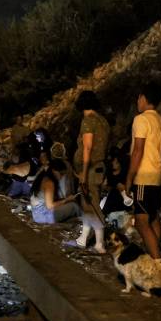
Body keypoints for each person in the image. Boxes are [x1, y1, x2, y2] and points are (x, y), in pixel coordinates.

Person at [125, 83, 161, 260]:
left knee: (141, 222)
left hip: (144, 174)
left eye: (138, 98)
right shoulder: (160, 120)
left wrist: (129, 177)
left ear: (143, 98)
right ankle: (154, 254)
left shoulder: (141, 119)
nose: (137, 101)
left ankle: (157, 262)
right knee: (153, 217)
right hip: (157, 174)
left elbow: (138, 150)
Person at [66, 91, 110, 253]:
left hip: (90, 169)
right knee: (88, 202)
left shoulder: (88, 121)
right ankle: (83, 238)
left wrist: (83, 172)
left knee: (91, 204)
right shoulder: (103, 121)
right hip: (99, 167)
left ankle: (99, 243)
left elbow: (87, 147)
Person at [29, 159, 81, 224]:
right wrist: (66, 200)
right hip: (42, 217)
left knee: (67, 202)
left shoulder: (43, 177)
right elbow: (50, 206)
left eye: (63, 174)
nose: (62, 177)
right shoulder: (49, 183)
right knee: (74, 206)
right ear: (54, 171)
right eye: (61, 174)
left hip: (36, 214)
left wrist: (65, 200)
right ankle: (85, 224)